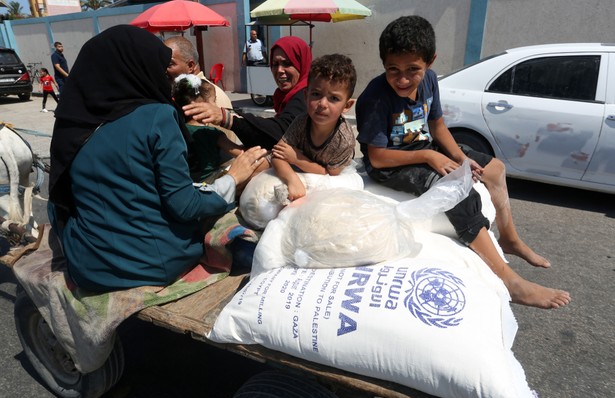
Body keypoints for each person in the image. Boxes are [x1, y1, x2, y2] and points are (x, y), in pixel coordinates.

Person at [355, 16, 570, 309]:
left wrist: (460, 157)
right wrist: (430, 156)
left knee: (494, 169)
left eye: (412, 70)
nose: (402, 79)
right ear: (384, 64)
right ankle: (510, 281)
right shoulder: (376, 97)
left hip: (421, 146)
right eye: (393, 69)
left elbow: (438, 126)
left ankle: (509, 239)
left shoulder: (430, 81)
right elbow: (378, 159)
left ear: (430, 62)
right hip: (392, 163)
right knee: (455, 189)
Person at [48, 25, 266, 292]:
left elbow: (62, 195)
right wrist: (233, 179)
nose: (164, 77)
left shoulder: (72, 119)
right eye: (160, 69)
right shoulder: (157, 116)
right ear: (136, 68)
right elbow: (184, 205)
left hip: (88, 267)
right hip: (152, 263)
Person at [184, 36, 312, 150]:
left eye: (287, 63)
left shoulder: (306, 96)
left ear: (301, 63)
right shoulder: (286, 96)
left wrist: (227, 118)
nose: (279, 70)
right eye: (274, 64)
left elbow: (282, 133)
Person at [272, 54, 356, 202]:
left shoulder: (344, 140)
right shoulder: (301, 122)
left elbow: (330, 175)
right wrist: (292, 179)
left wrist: (296, 158)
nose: (323, 104)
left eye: (334, 98)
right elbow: (277, 155)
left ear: (347, 106)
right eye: (316, 94)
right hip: (297, 176)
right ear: (306, 96)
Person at [172, 73, 244, 182]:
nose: (216, 106)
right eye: (214, 100)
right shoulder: (211, 133)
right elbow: (241, 154)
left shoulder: (176, 129)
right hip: (210, 184)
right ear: (198, 104)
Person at [164, 36, 232, 110]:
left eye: (170, 64)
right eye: (162, 63)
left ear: (190, 66)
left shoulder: (210, 96)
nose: (164, 70)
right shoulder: (181, 92)